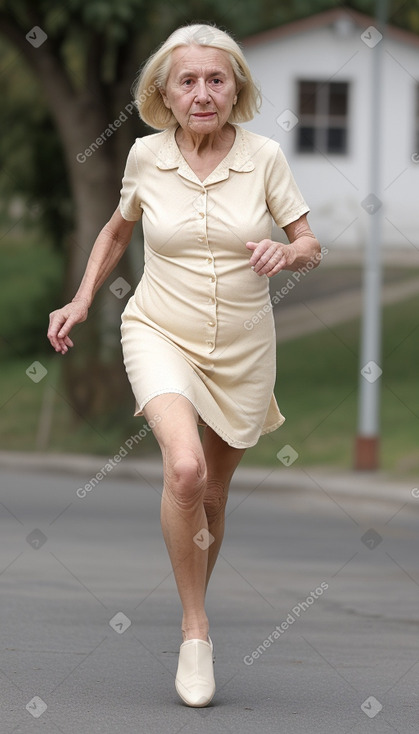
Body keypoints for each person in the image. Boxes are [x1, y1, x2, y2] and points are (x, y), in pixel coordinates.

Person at [48, 23, 321, 708]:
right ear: (164, 94)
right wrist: (82, 299)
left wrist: (285, 255)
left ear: (235, 89)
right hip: (159, 329)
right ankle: (194, 631)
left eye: (216, 80)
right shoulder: (144, 156)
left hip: (242, 347)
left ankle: (197, 604)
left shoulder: (264, 158)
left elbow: (308, 242)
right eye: (188, 81)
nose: (203, 93)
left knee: (215, 495)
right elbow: (118, 228)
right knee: (184, 470)